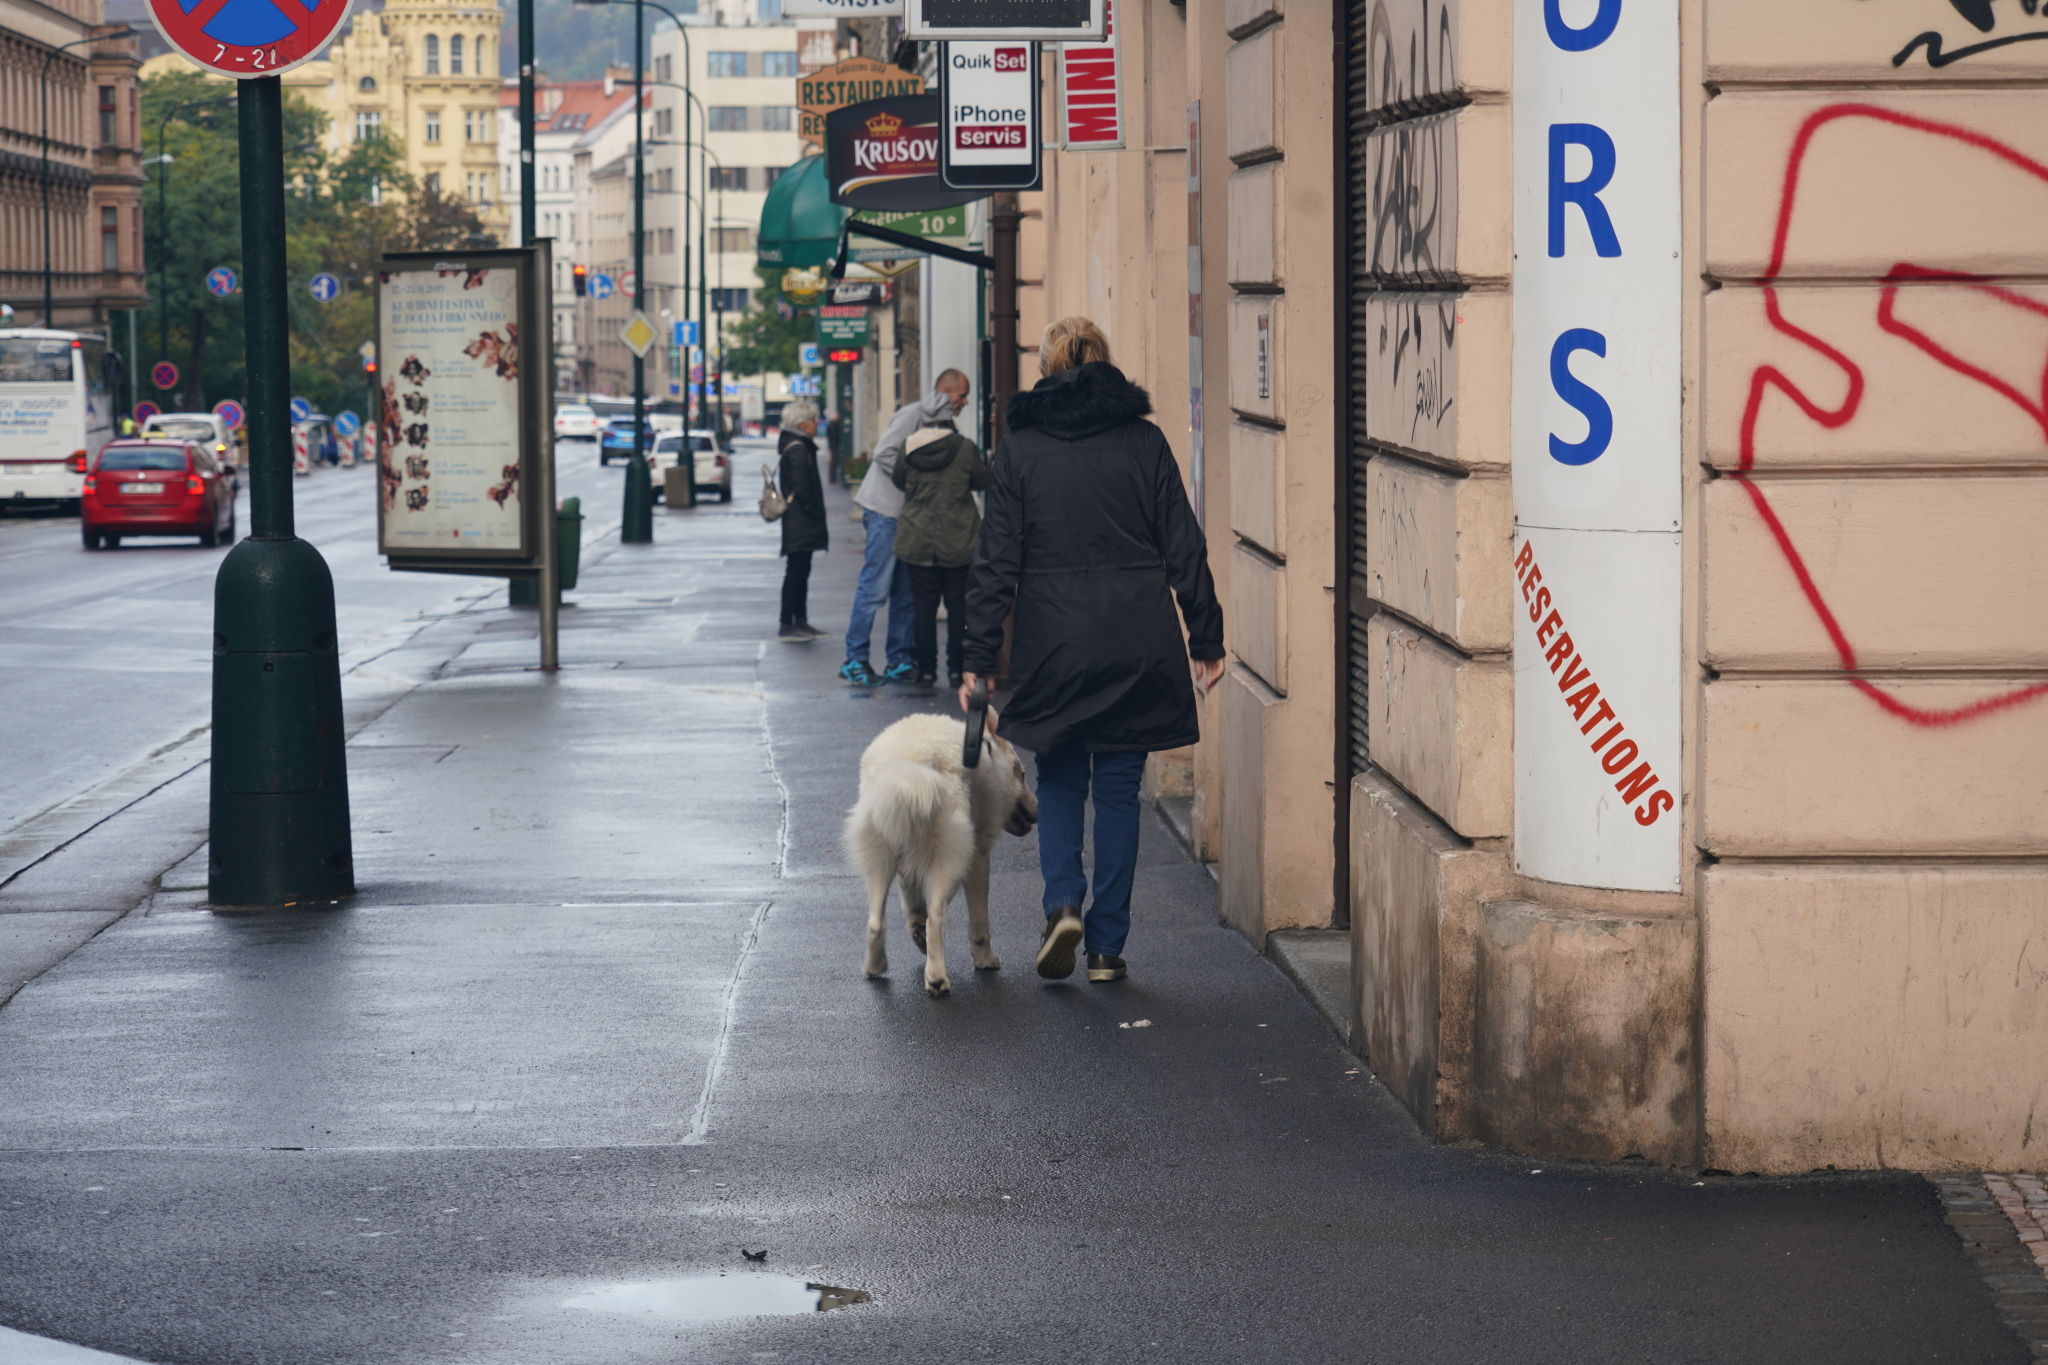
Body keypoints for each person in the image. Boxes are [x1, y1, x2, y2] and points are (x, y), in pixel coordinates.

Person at [960, 318, 1224, 986]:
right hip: (1138, 637)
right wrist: (1207, 637)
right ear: (1108, 365)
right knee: (1117, 789)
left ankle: (1062, 904)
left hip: (1054, 642)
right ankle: (1107, 946)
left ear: (1046, 371)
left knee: (1062, 778)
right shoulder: (1144, 441)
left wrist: (978, 657)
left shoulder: (1020, 449)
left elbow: (995, 562)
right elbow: (1183, 544)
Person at [840, 369, 972, 687]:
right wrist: (916, 475)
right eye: (961, 395)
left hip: (907, 518)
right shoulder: (912, 415)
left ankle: (898, 660)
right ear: (943, 391)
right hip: (885, 512)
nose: (965, 402)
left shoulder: (941, 422)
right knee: (875, 589)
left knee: (906, 593)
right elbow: (883, 453)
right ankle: (855, 659)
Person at [892, 389, 990, 689]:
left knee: (924, 608)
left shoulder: (908, 446)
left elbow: (898, 480)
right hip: (958, 538)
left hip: (917, 538)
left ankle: (925, 670)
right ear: (949, 417)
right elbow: (981, 481)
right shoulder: (964, 446)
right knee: (959, 608)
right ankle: (956, 670)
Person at [776, 401, 828, 642]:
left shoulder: (796, 446)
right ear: (801, 424)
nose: (816, 424)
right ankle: (788, 623)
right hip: (801, 520)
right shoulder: (798, 449)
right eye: (812, 420)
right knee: (797, 572)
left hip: (798, 520)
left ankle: (800, 621)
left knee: (800, 571)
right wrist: (814, 512)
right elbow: (802, 487)